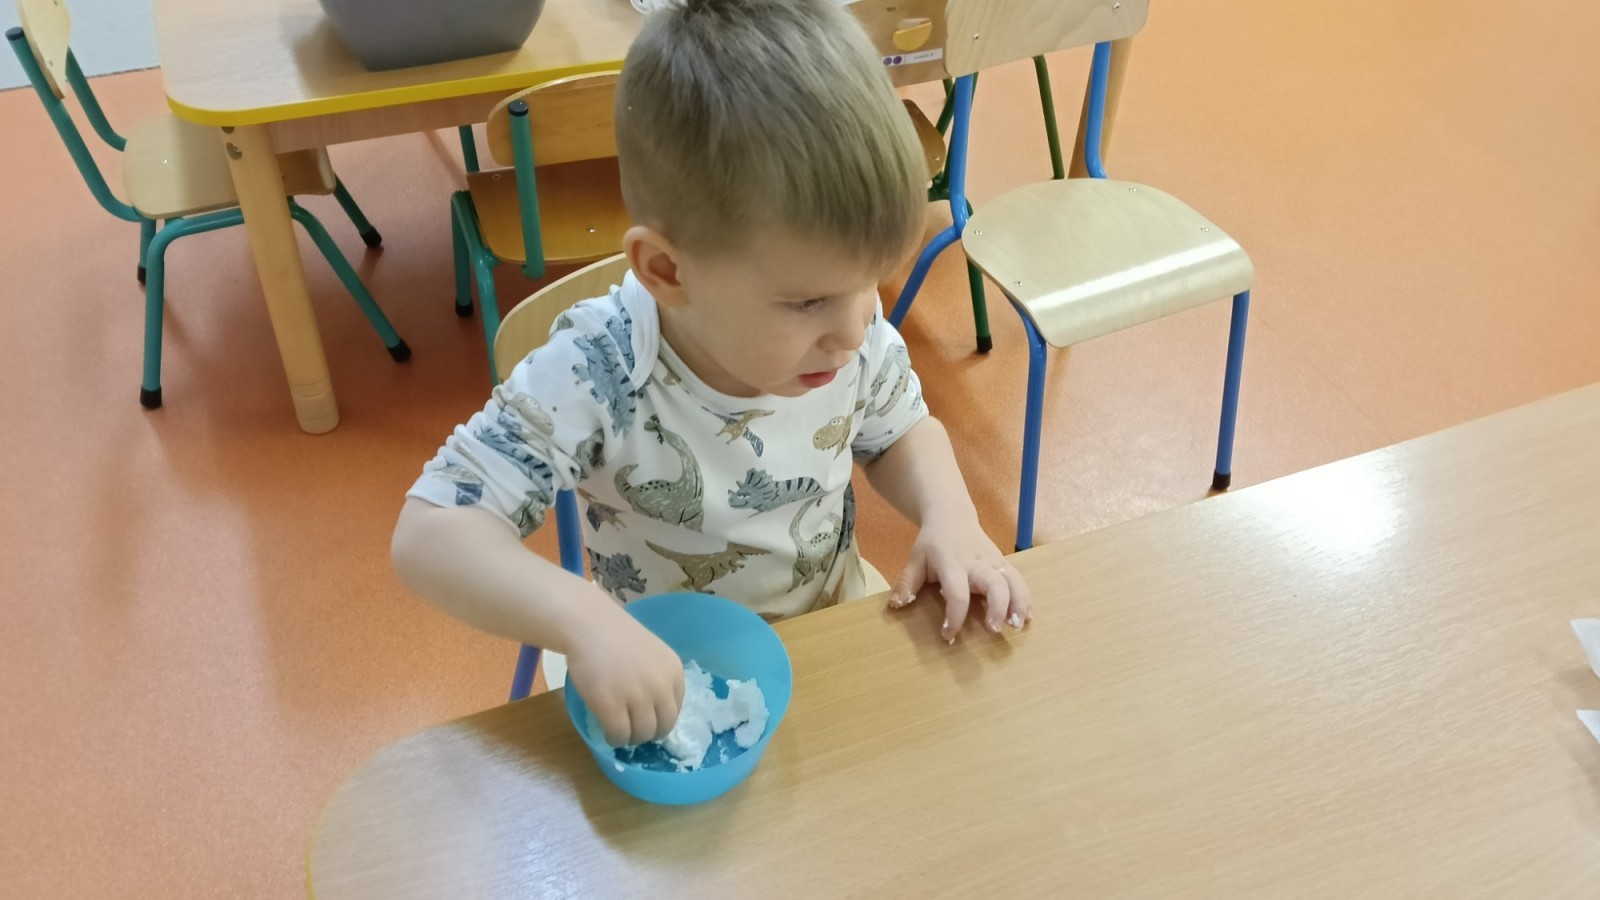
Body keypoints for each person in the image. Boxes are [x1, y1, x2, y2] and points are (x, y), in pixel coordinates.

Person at [391, 0, 1031, 748]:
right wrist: (582, 620)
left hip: (830, 635)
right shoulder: (601, 368)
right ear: (667, 271)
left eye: (870, 283)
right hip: (660, 676)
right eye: (808, 302)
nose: (857, 329)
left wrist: (950, 514)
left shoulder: (843, 329)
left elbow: (898, 432)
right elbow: (430, 533)